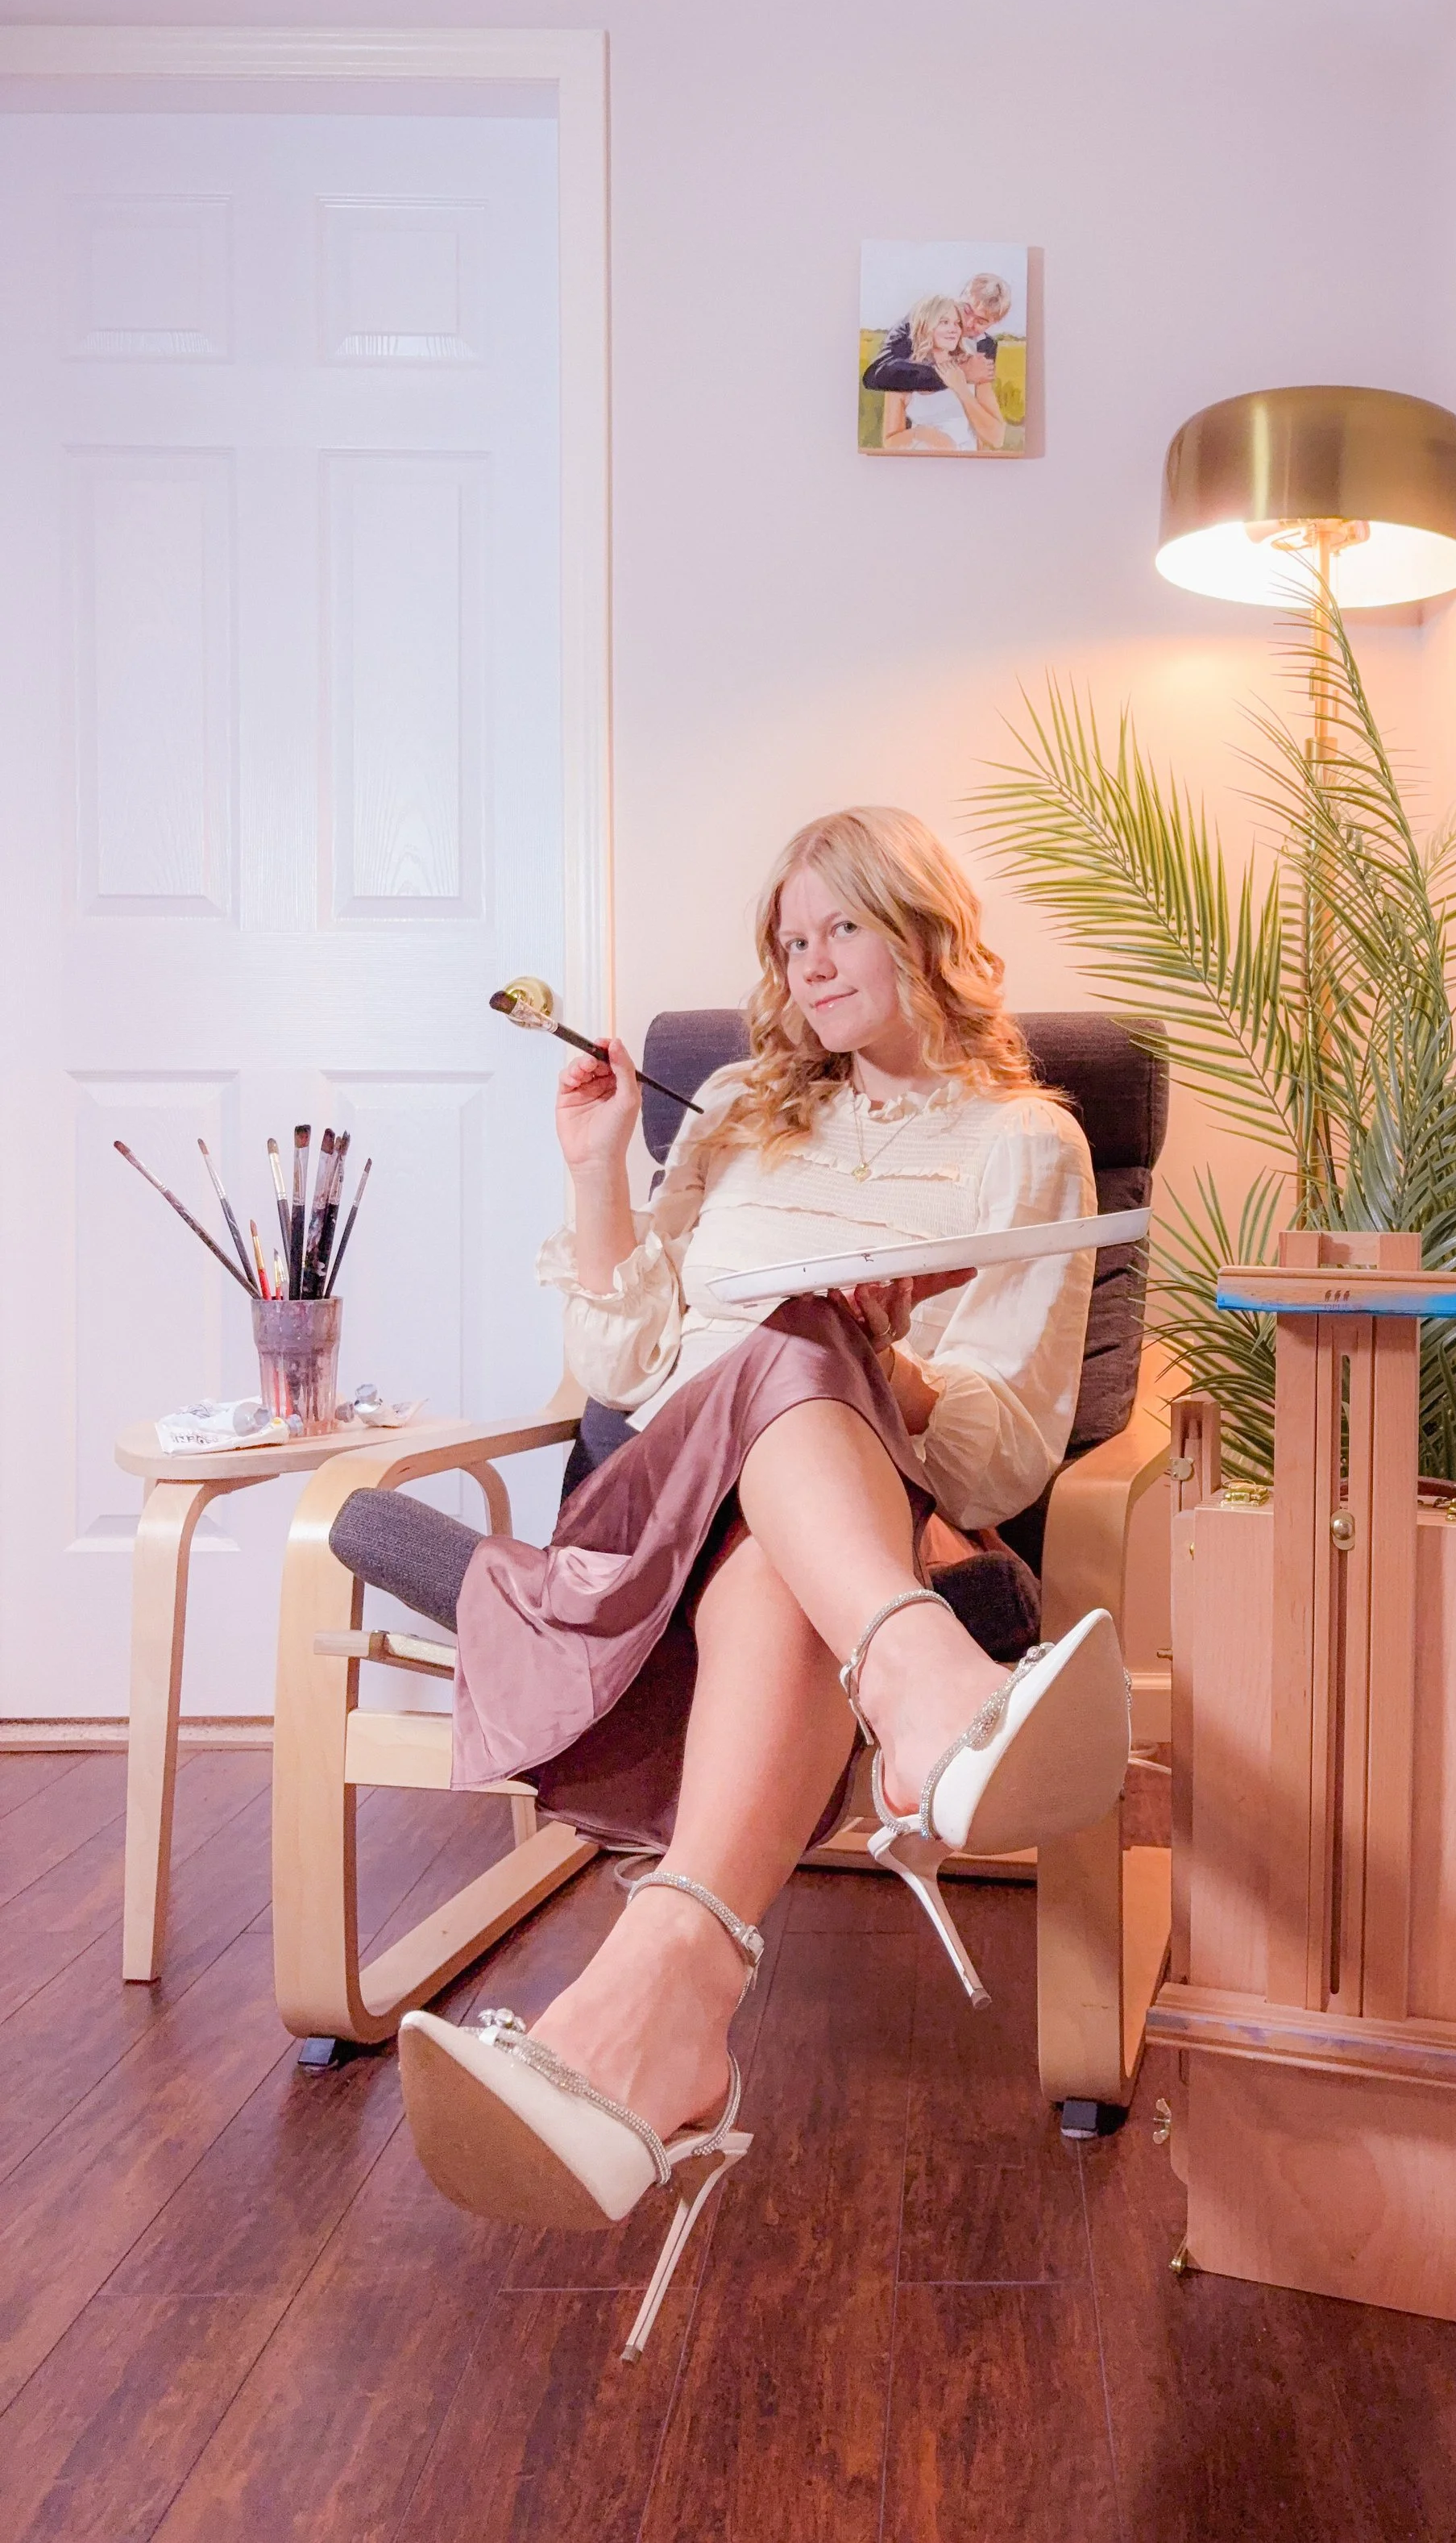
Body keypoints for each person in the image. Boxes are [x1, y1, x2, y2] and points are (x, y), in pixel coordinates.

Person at [329, 806, 1130, 2351]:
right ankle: (926, 1693)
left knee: (805, 1374)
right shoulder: (746, 1112)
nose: (809, 962)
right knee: (781, 1341)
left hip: (849, 1518)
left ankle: (663, 2012)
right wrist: (596, 1169)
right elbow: (623, 1361)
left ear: (924, 928)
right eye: (789, 938)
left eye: (841, 926)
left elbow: (1013, 1444)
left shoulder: (1027, 1140)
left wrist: (878, 1361)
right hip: (655, 1519)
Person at [877, 293, 1006, 452]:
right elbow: (890, 441)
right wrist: (925, 435)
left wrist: (961, 389)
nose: (954, 330)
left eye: (957, 323)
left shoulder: (973, 368)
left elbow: (997, 438)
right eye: (944, 322)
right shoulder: (904, 376)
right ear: (925, 326)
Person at [861, 267, 1011, 397]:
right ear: (960, 297)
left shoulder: (986, 346)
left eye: (981, 321)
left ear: (993, 324)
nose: (968, 323)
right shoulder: (920, 321)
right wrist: (958, 374)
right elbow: (876, 375)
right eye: (966, 310)